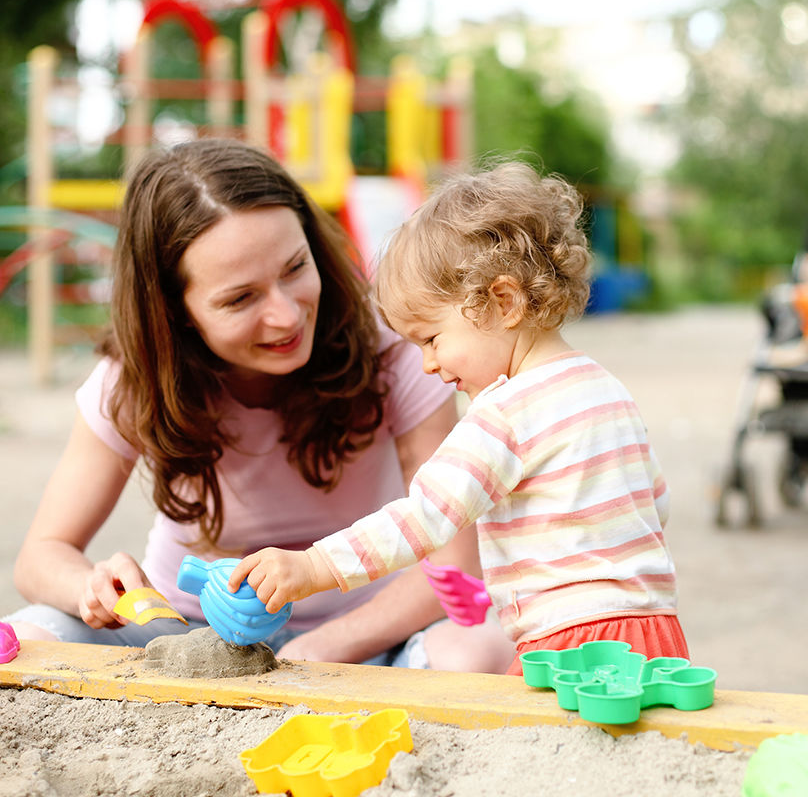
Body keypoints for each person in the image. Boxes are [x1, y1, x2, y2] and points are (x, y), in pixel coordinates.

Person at [5, 137, 515, 673]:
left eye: (295, 268)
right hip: (183, 630)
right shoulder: (132, 382)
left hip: (367, 630)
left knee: (476, 648)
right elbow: (42, 554)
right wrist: (90, 587)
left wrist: (322, 648)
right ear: (175, 311)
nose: (287, 316)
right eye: (240, 298)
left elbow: (455, 567)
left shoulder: (396, 348)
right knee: (31, 634)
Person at [226, 161, 690, 675]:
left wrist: (314, 565)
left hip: (568, 642)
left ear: (504, 302)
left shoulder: (503, 413)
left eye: (431, 339)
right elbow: (654, 502)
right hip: (655, 631)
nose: (427, 363)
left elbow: (423, 518)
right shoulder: (606, 389)